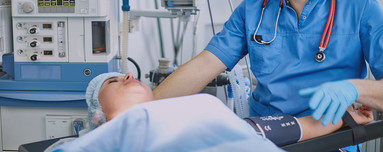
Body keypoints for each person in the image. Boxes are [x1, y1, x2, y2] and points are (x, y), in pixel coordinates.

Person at [153, 0, 383, 151]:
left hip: (333, 140)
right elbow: (204, 66)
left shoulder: (359, 5)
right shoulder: (254, 8)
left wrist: (355, 88)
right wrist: (138, 110)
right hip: (267, 139)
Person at [53, 72, 373, 152]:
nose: (126, 75)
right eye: (113, 80)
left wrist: (347, 118)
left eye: (126, 73)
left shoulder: (200, 107)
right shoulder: (107, 135)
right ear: (101, 115)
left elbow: (298, 126)